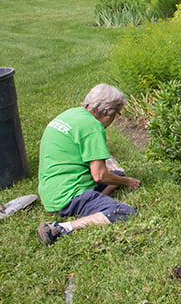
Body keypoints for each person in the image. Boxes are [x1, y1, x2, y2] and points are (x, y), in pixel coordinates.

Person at [36, 84, 142, 246]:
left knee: (117, 175)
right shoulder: (92, 127)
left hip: (50, 191)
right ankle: (61, 228)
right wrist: (127, 182)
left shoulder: (71, 114)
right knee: (124, 212)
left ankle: (98, 204)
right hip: (68, 196)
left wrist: (120, 179)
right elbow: (100, 175)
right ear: (108, 112)